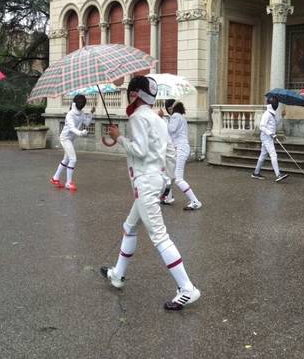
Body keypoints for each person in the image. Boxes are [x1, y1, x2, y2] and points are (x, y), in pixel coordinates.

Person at [101, 76, 200, 310]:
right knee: (130, 227)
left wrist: (119, 138)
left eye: (129, 91)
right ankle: (118, 274)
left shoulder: (137, 118)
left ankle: (187, 288)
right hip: (153, 180)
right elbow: (170, 153)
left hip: (145, 183)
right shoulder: (157, 119)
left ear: (134, 94)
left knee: (159, 235)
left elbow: (140, 150)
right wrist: (165, 179)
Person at [163, 99, 202, 210]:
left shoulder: (175, 116)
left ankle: (195, 201)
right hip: (180, 148)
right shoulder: (180, 116)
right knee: (169, 174)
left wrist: (164, 120)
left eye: (168, 109)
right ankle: (167, 197)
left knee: (178, 178)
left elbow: (170, 130)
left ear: (170, 108)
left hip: (180, 149)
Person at [50, 94, 94, 191]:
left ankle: (55, 178)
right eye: (80, 102)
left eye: (83, 102)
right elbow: (72, 128)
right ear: (75, 103)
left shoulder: (82, 113)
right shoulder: (70, 115)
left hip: (71, 139)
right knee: (73, 159)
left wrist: (91, 113)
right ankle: (68, 183)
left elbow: (86, 123)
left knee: (66, 160)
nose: (82, 103)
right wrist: (81, 133)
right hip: (65, 139)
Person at [251, 95, 288, 182]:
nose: (276, 104)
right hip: (266, 138)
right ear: (272, 104)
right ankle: (278, 175)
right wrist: (271, 134)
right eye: (275, 103)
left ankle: (256, 173)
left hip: (269, 137)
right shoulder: (267, 114)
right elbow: (261, 126)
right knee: (273, 154)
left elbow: (274, 124)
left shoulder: (272, 114)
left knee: (263, 155)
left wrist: (282, 116)